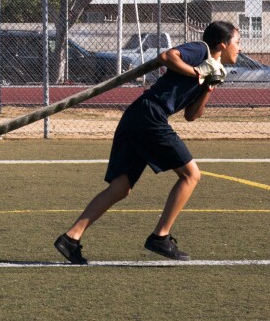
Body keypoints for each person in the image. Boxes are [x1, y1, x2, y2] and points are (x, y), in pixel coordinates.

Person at [54, 21, 240, 264]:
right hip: (149, 115)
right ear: (223, 44)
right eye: (237, 42)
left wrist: (208, 87)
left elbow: (191, 115)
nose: (240, 47)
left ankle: (70, 238)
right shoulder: (201, 50)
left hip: (138, 118)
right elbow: (167, 56)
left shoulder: (214, 70)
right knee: (191, 175)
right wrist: (197, 72)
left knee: (121, 188)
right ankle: (160, 237)